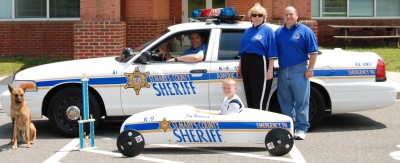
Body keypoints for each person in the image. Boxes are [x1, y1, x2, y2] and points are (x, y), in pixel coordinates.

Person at [275, 6, 319, 140]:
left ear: (297, 15)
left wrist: (310, 69)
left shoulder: (305, 31)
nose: (288, 17)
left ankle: (301, 128)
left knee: (301, 101)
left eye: (291, 14)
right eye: (286, 14)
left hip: (299, 71)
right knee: (285, 101)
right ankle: (290, 127)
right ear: (283, 16)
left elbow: (314, 52)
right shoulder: (278, 32)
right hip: (283, 71)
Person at [236, 3, 277, 110]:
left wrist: (270, 70)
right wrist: (240, 67)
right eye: (254, 15)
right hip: (246, 62)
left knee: (260, 95)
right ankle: (253, 121)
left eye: (260, 15)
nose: (257, 17)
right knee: (249, 94)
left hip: (259, 62)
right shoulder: (248, 30)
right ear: (251, 17)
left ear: (264, 17)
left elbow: (272, 52)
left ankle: (260, 122)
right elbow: (242, 51)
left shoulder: (268, 31)